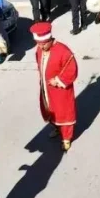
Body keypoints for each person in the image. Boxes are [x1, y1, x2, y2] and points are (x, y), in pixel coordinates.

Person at [31, 21, 78, 152]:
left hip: (60, 90)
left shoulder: (64, 51)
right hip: (46, 88)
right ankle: (57, 128)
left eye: (43, 44)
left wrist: (58, 80)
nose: (41, 47)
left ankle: (66, 138)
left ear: (50, 39)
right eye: (38, 44)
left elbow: (71, 70)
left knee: (64, 112)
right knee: (50, 109)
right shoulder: (39, 50)